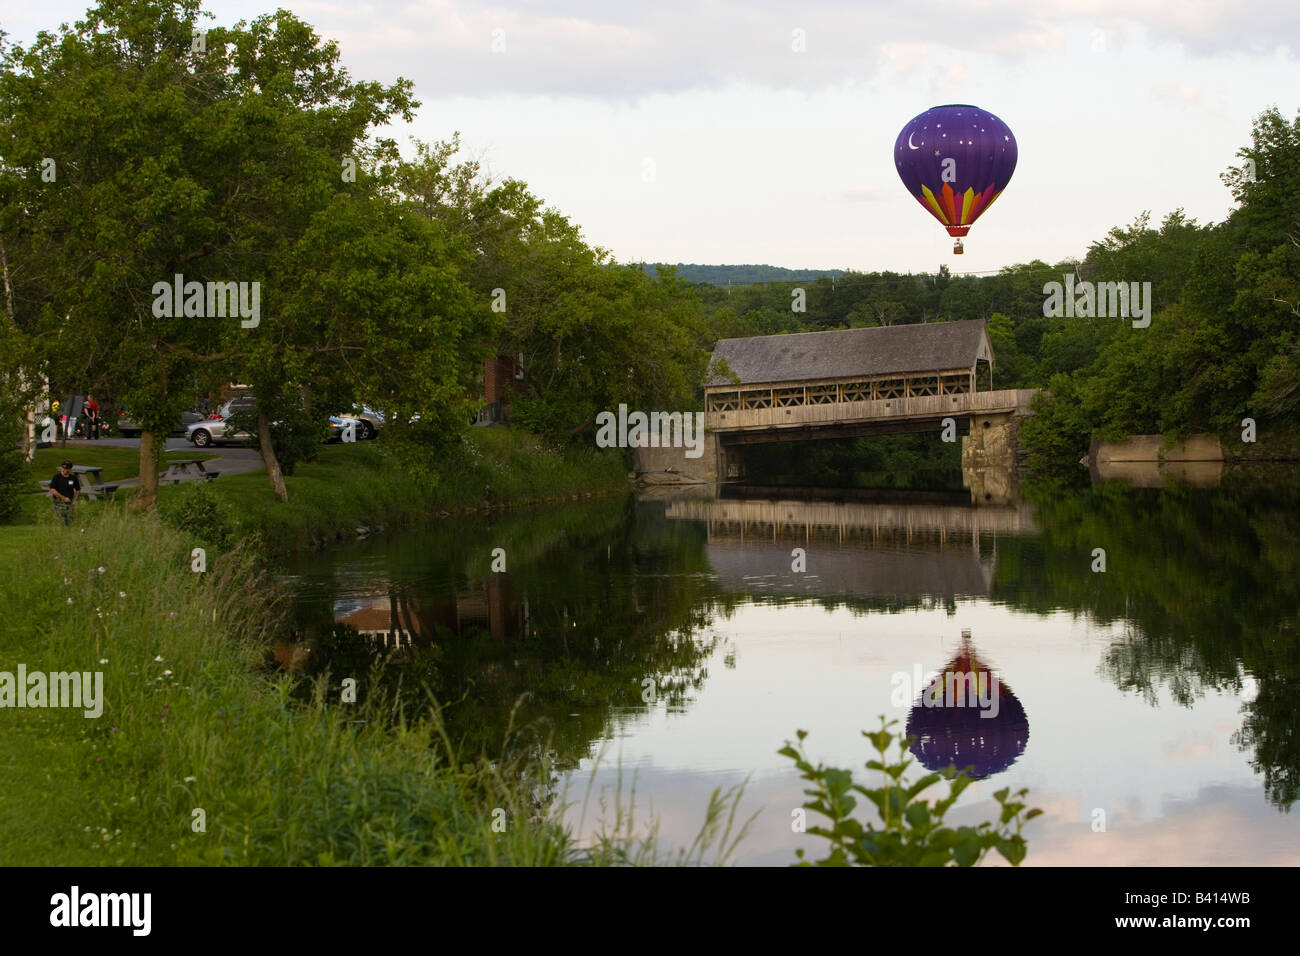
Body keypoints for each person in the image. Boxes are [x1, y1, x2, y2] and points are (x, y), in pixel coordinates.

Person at [49, 459, 81, 525]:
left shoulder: (73, 478)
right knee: (59, 520)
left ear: (70, 469)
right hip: (58, 502)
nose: (64, 469)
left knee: (69, 521)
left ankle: (68, 532)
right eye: (63, 468)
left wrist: (74, 501)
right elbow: (52, 490)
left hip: (69, 502)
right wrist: (63, 498)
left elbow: (77, 490)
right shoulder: (56, 477)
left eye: (66, 468)